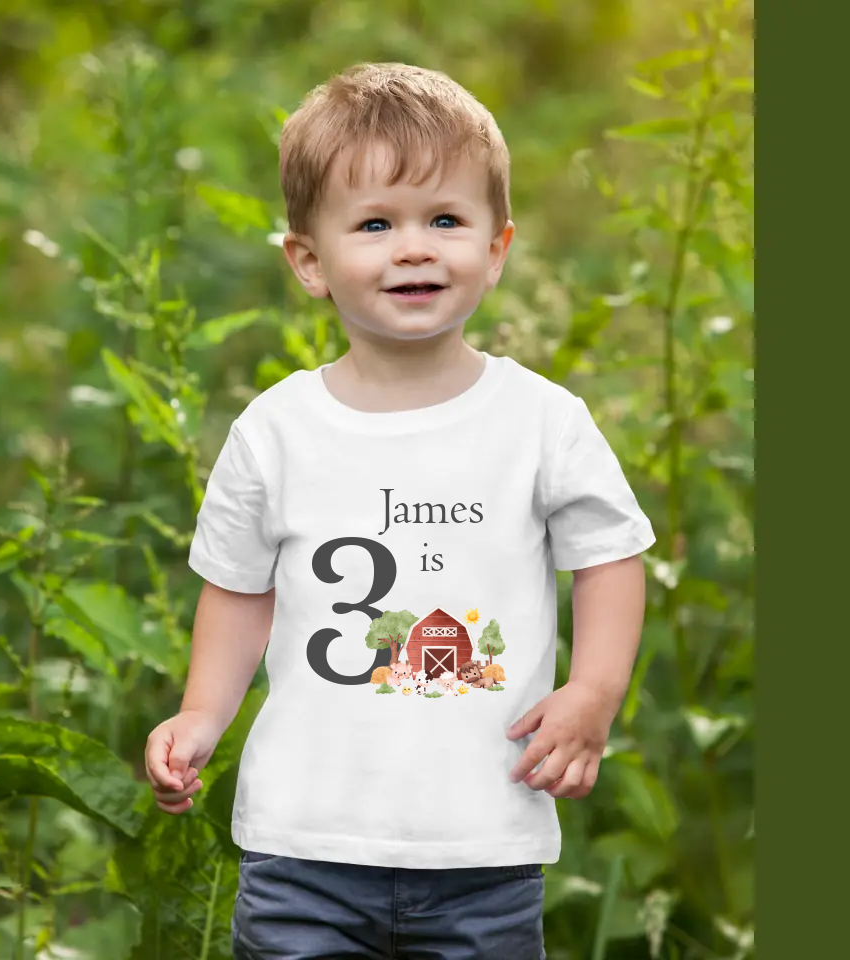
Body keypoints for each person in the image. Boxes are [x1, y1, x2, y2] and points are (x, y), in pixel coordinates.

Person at [144, 62, 655, 960]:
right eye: (376, 223)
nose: (414, 247)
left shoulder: (539, 421)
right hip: (305, 845)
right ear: (309, 260)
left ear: (496, 249)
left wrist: (595, 691)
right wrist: (201, 714)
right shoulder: (278, 431)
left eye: (445, 221)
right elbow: (237, 586)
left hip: (482, 847)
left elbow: (608, 555)